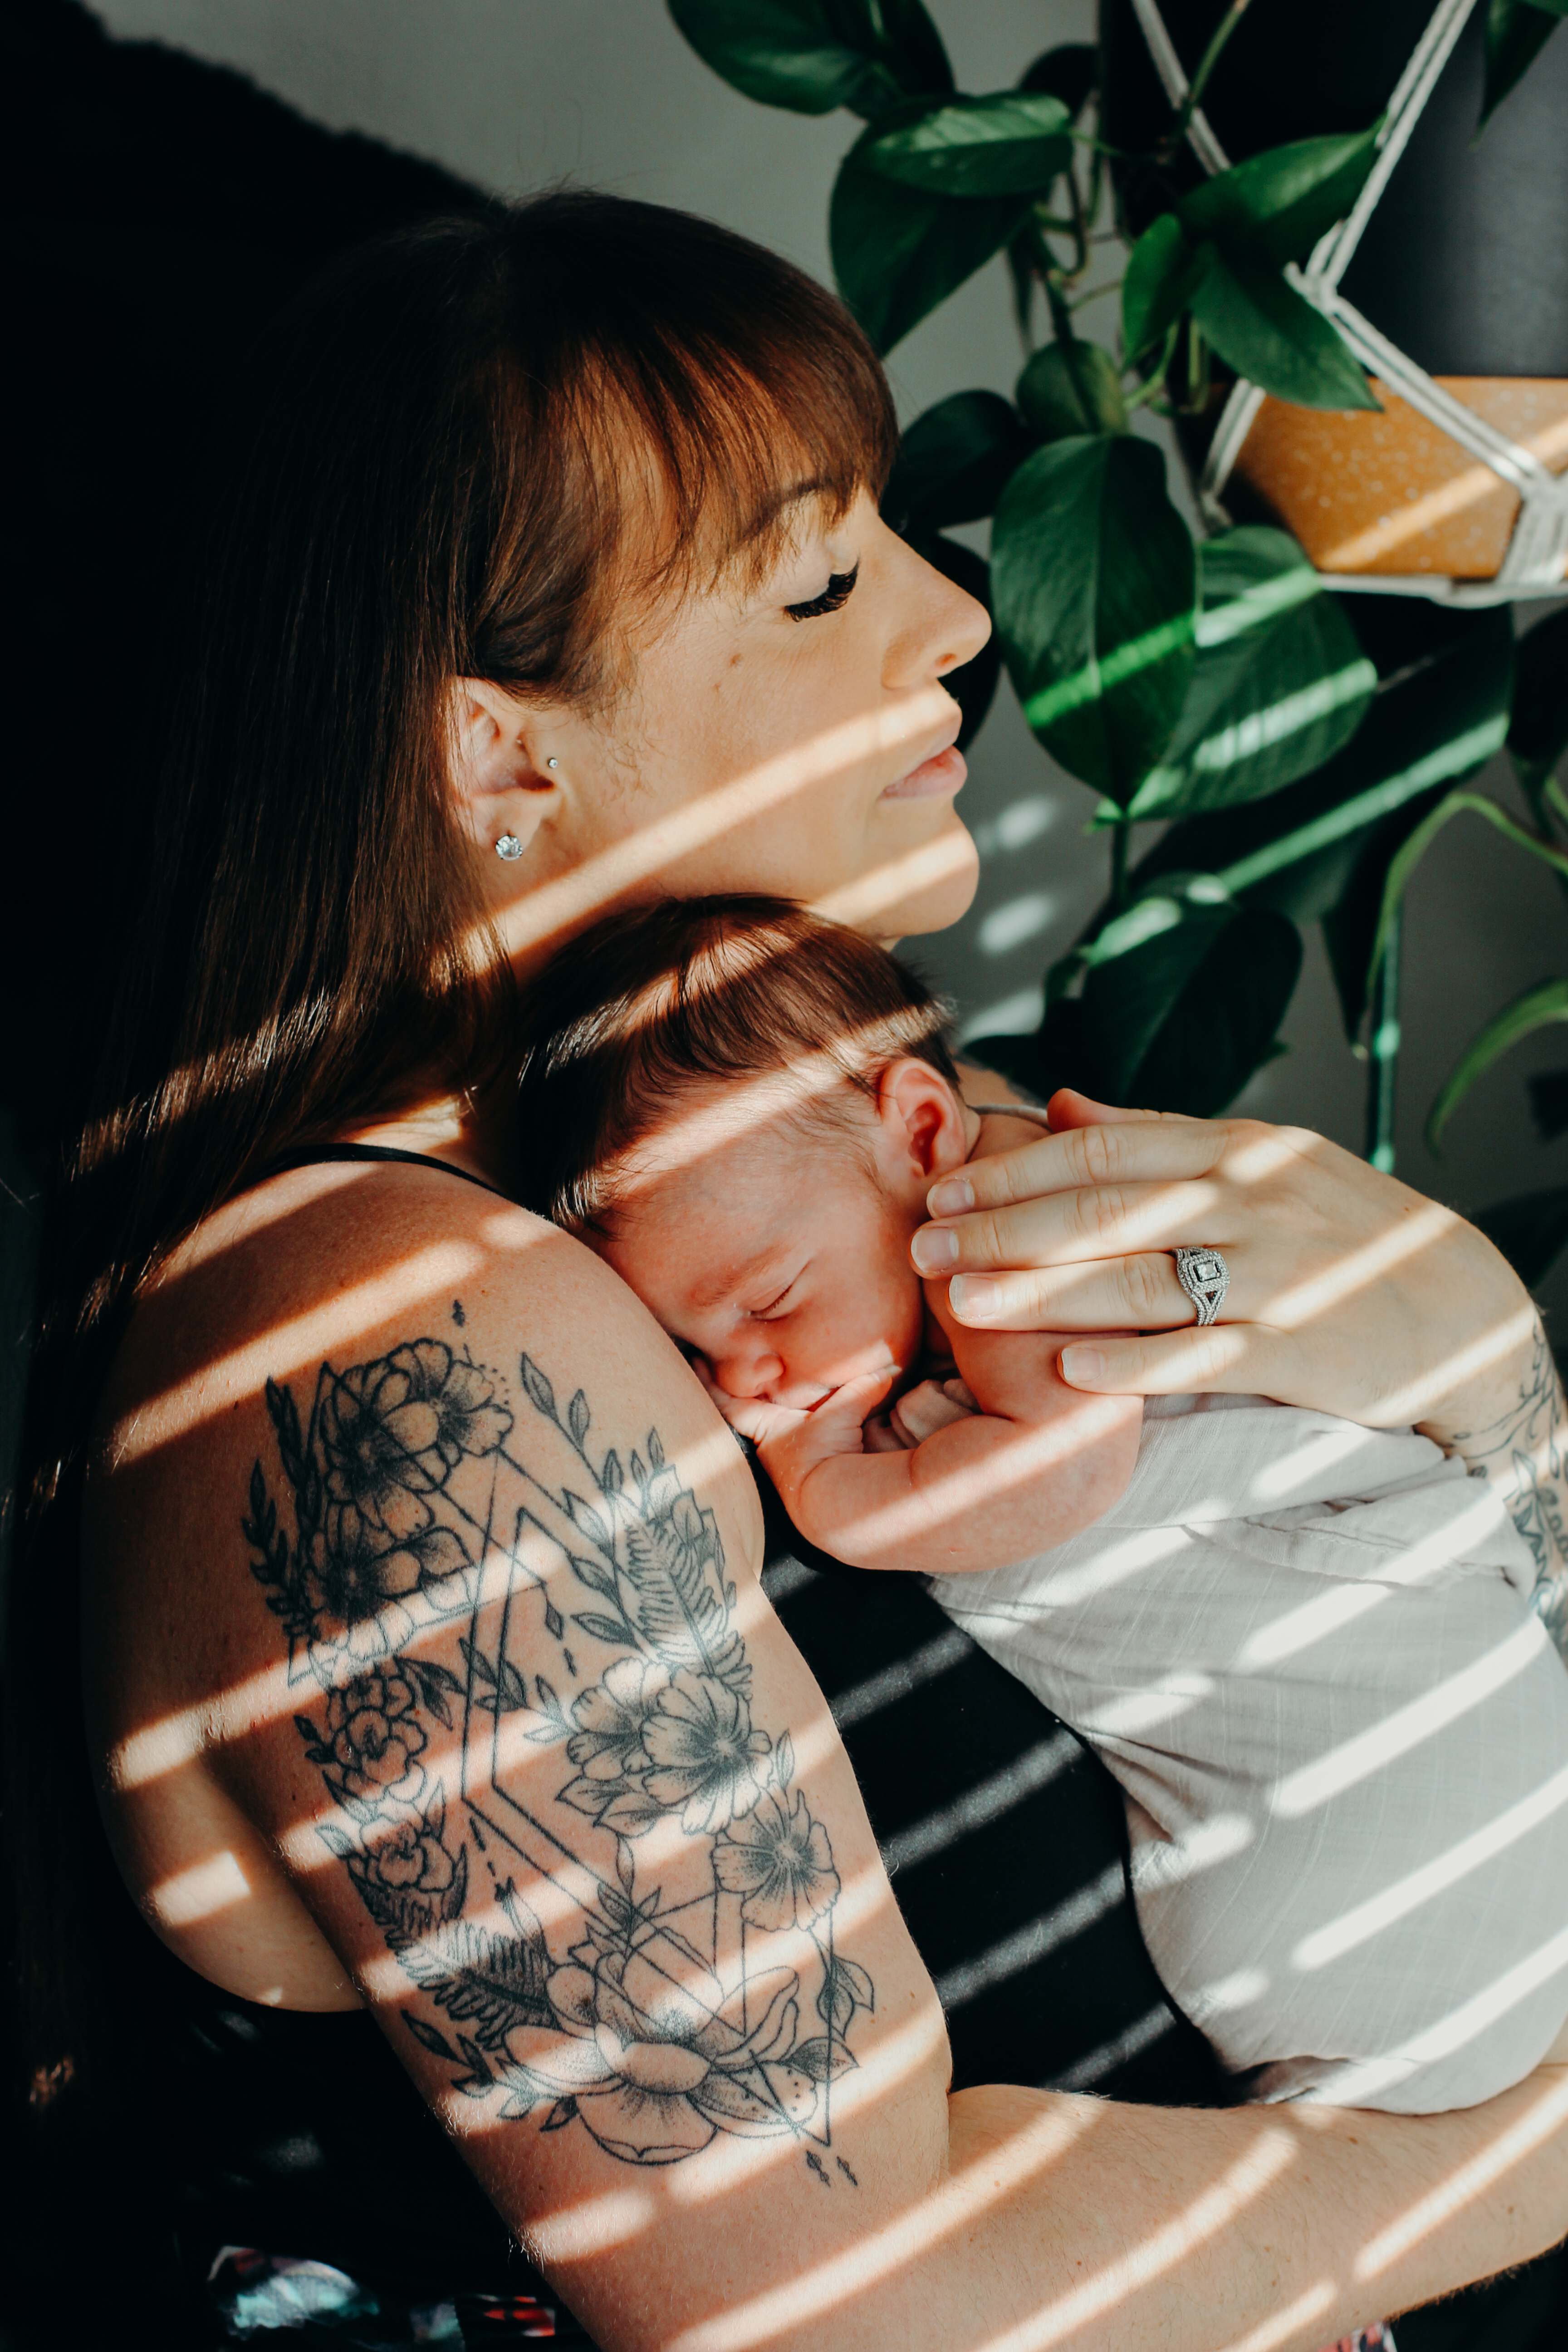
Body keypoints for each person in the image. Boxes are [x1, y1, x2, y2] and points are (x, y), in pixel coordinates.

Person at [12, 192, 1568, 2352]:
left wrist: (1481, 1367)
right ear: (504, 754)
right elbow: (817, 2305)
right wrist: (1519, 2157)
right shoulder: (390, 1352)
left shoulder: (812, 1157)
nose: (953, 618)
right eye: (822, 579)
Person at [510, 891, 1568, 2121]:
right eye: (697, 1353)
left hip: (1394, 1796)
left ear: (920, 1131)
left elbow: (1059, 1476)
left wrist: (828, 1491)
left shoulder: (1003, 1230)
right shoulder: (853, 1250)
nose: (750, 1383)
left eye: (773, 1298)